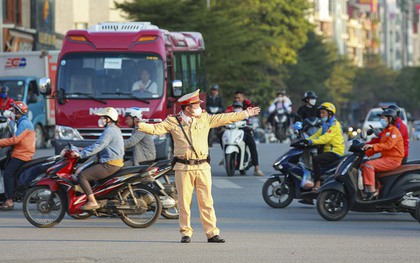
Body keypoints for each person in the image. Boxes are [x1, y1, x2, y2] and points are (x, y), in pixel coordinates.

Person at [137, 89, 261, 243]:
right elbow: (156, 129)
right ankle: (186, 233)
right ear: (188, 108)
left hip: (202, 166)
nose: (200, 107)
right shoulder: (173, 121)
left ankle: (211, 233)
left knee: (207, 202)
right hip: (183, 167)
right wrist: (140, 125)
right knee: (184, 203)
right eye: (196, 104)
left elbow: (224, 118)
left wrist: (245, 114)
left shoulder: (204, 118)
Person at [73, 107, 124, 210]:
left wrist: (81, 154)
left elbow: (99, 146)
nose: (100, 119)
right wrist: (83, 149)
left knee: (82, 176)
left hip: (110, 164)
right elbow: (99, 145)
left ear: (108, 119)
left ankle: (92, 202)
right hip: (113, 162)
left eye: (102, 117)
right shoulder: (114, 129)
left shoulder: (109, 130)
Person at [301, 102, 345, 202]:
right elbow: (317, 134)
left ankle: (317, 183)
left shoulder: (334, 125)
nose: (321, 115)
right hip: (327, 151)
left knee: (316, 159)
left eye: (323, 113)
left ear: (330, 113)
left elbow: (325, 139)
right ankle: (309, 193)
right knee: (312, 166)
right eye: (320, 113)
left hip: (335, 152)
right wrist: (305, 140)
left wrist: (310, 141)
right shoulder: (325, 124)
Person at [361, 108, 404, 200]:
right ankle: (373, 189)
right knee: (363, 165)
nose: (381, 120)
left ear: (390, 119)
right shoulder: (386, 131)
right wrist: (366, 151)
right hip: (386, 158)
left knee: (369, 166)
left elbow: (388, 145)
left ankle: (371, 191)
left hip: (393, 160)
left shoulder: (394, 132)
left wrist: (372, 147)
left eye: (383, 118)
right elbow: (379, 144)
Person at [0, 101, 35, 210]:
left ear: (19, 112)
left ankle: (9, 200)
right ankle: (9, 195)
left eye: (14, 111)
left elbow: (15, 139)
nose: (12, 112)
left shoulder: (24, 123)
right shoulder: (22, 121)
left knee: (8, 174)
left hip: (22, 155)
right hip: (20, 152)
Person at [225, 91, 264, 176]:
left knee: (252, 144)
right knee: (222, 136)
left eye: (239, 98)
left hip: (245, 129)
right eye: (235, 98)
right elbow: (225, 116)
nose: (237, 100)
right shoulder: (230, 107)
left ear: (243, 98)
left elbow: (255, 110)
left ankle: (256, 168)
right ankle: (224, 157)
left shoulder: (248, 106)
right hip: (232, 130)